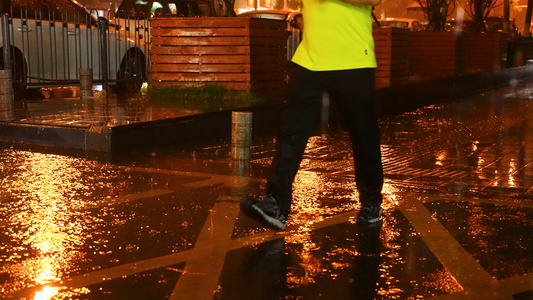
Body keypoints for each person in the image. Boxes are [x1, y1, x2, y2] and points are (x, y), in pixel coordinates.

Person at [241, 0, 384, 231]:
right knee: (291, 131)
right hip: (309, 58)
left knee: (363, 136)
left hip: (353, 58)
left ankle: (371, 203)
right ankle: (276, 203)